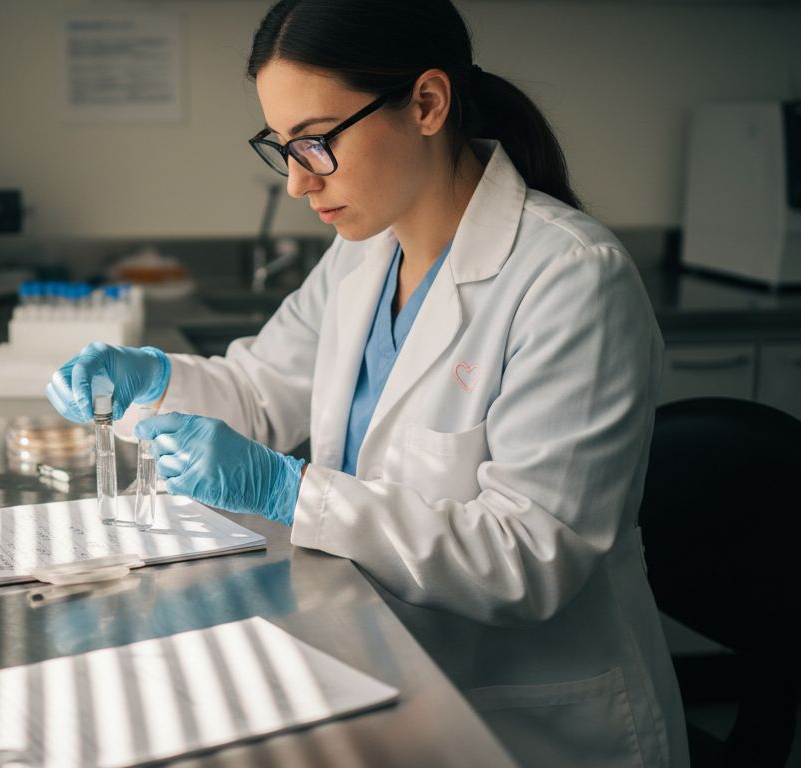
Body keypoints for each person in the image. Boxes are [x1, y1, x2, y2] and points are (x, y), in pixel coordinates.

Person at [45, 1, 687, 765]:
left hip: (524, 723)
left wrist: (292, 492)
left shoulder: (572, 278)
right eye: (281, 147)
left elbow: (528, 556)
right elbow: (258, 392)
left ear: (426, 103)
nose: (295, 182)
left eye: (316, 143)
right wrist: (150, 382)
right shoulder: (364, 252)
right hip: (372, 668)